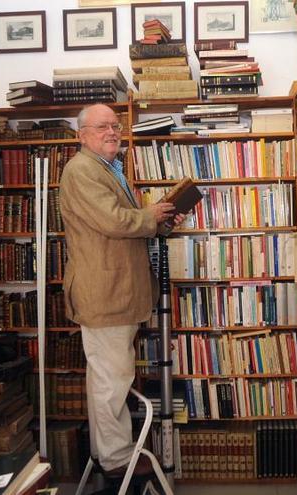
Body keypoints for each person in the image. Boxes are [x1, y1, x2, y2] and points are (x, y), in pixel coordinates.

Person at [59, 103, 182, 478]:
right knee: (112, 381)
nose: (112, 132)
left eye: (115, 125)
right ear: (81, 135)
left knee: (109, 378)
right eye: (101, 127)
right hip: (104, 294)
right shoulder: (81, 170)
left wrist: (160, 221)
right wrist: (152, 215)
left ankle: (109, 452)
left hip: (117, 293)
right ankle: (115, 459)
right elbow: (114, 220)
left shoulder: (106, 169)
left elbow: (127, 225)